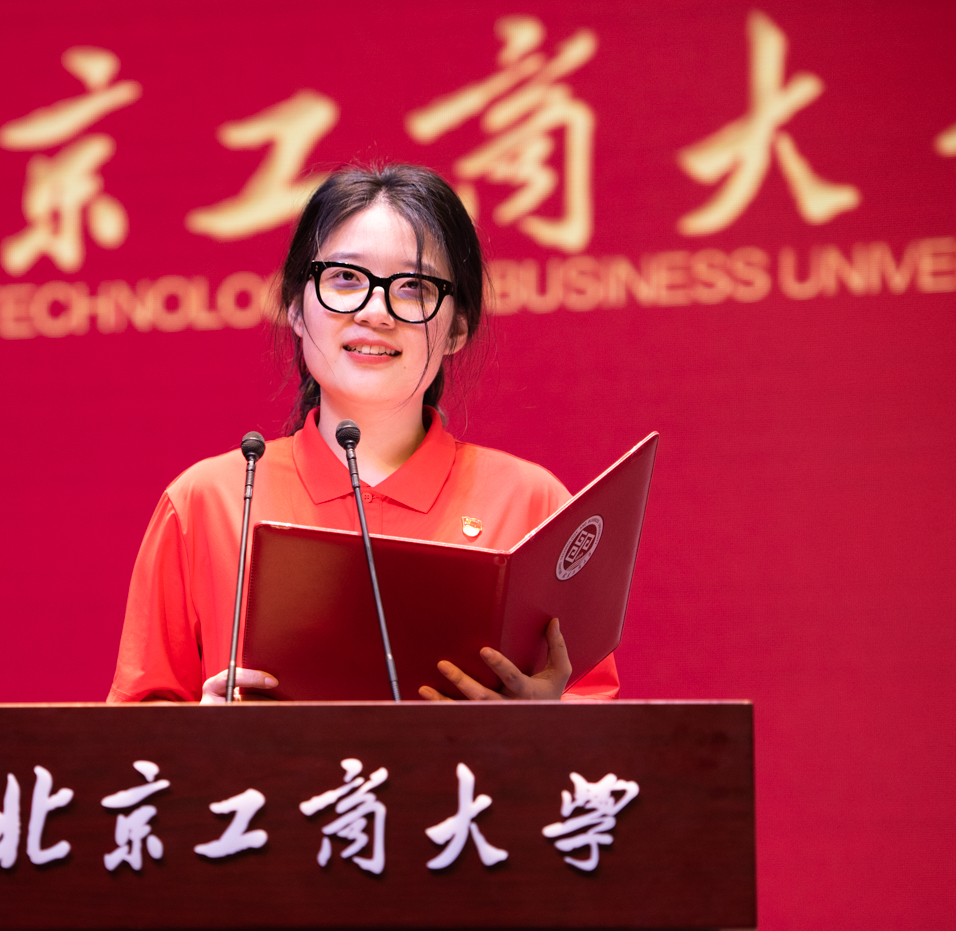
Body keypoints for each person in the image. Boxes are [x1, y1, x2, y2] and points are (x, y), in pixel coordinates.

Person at [106, 164, 621, 704]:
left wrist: (547, 726)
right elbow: (136, 729)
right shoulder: (206, 501)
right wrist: (202, 733)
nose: (376, 312)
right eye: (345, 279)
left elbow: (598, 725)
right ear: (296, 309)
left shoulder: (532, 505)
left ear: (458, 328)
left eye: (414, 287)